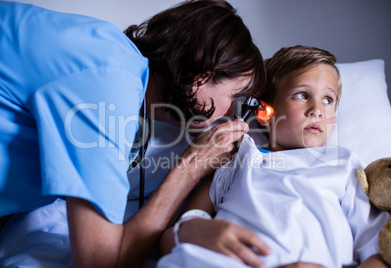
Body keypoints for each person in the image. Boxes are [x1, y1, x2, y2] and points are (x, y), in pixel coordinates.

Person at [0, 0, 269, 267]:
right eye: (234, 96)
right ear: (200, 78)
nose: (227, 112)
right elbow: (101, 260)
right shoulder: (109, 81)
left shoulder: (113, 58)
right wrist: (192, 166)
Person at [158, 45, 389, 268]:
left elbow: (380, 253)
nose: (317, 109)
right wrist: (194, 230)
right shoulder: (236, 159)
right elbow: (170, 241)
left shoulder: (344, 165)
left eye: (328, 100)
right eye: (302, 95)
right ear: (265, 113)